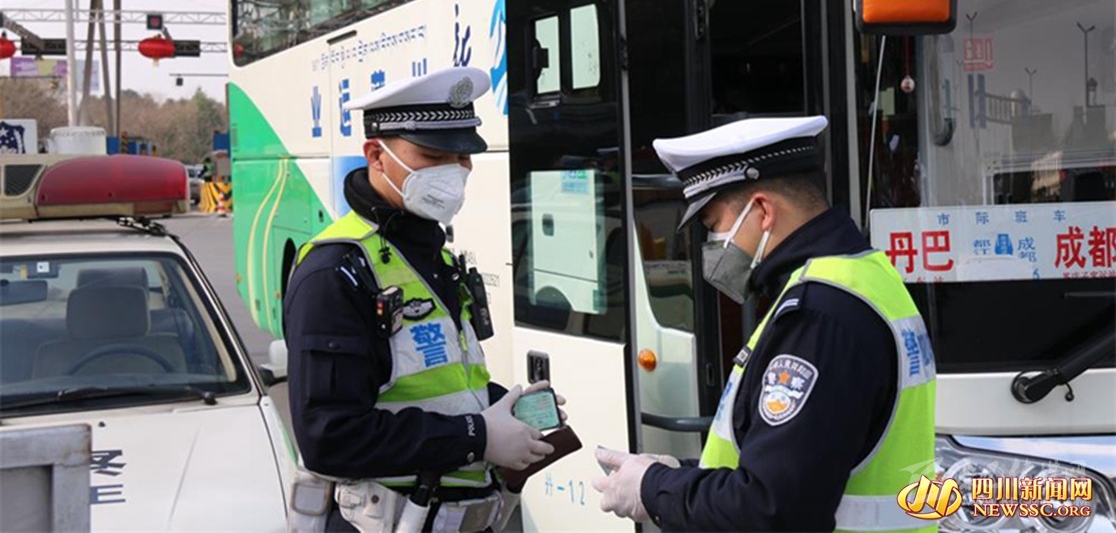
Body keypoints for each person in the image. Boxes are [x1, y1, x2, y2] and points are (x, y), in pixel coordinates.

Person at [593, 116, 937, 532]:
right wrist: (677, 474)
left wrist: (654, 489)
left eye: (714, 226)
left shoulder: (818, 316)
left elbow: (772, 509)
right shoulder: (863, 276)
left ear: (762, 211)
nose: (712, 245)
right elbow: (795, 464)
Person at [284, 66, 556, 532]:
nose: (454, 171)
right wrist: (477, 436)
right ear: (376, 155)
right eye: (433, 155)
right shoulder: (335, 272)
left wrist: (503, 406)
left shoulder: (436, 256)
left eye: (463, 156)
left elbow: (438, 384)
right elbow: (328, 437)